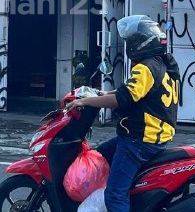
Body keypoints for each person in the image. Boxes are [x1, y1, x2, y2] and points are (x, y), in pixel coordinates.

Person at [66, 15, 180, 212]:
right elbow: (130, 93)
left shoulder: (145, 68)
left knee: (115, 195)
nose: (128, 45)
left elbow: (120, 100)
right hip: (153, 138)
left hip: (139, 140)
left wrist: (84, 101)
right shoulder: (163, 64)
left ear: (140, 44)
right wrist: (101, 94)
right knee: (99, 155)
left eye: (130, 41)